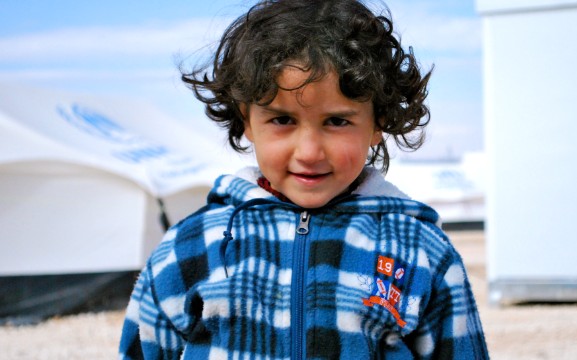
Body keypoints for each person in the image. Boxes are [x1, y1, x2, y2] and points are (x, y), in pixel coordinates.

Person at [119, 0, 489, 358]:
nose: (309, 152)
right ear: (246, 119)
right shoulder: (191, 246)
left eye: (337, 121)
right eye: (282, 120)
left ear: (377, 123)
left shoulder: (420, 250)